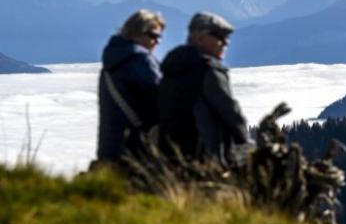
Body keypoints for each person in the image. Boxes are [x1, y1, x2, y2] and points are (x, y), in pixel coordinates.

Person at [158, 11, 249, 167]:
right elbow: (229, 110)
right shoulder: (208, 70)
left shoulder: (172, 65)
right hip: (206, 156)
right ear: (199, 37)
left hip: (170, 154)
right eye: (219, 36)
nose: (225, 43)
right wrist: (244, 139)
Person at [97, 9, 165, 164]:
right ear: (137, 32)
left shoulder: (112, 61)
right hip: (138, 150)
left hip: (110, 149)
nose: (157, 41)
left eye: (159, 37)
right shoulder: (140, 60)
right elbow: (161, 100)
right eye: (153, 36)